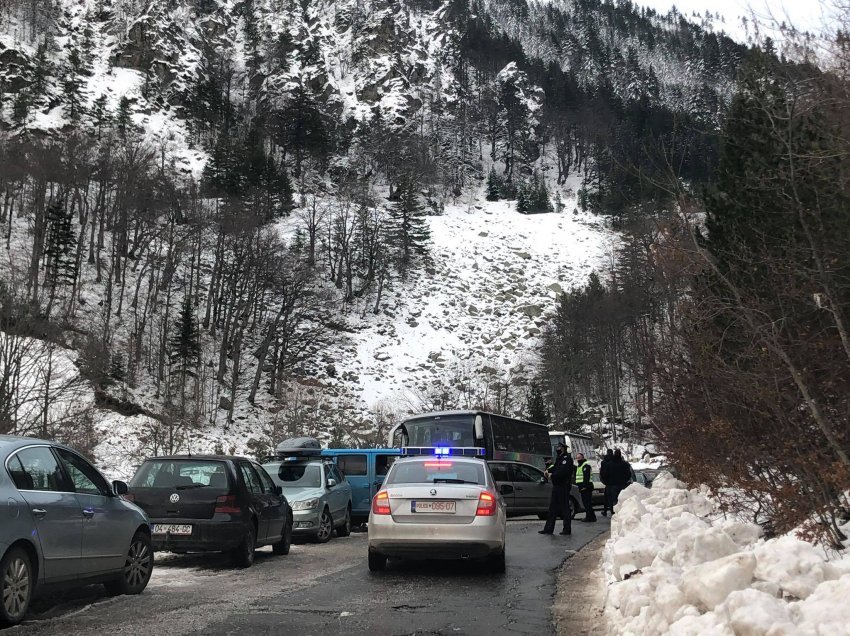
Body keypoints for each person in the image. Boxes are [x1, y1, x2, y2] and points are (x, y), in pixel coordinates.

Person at [539, 443, 573, 535]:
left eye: (559, 447)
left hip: (563, 485)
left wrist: (552, 475)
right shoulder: (559, 458)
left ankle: (567, 529)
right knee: (552, 508)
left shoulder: (566, 459)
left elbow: (562, 471)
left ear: (562, 449)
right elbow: (555, 467)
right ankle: (548, 528)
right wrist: (548, 471)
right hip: (557, 485)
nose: (557, 449)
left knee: (565, 508)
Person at [575, 452, 596, 522]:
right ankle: (592, 516)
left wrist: (584, 486)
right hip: (582, 486)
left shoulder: (585, 465)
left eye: (579, 458)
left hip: (586, 487)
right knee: (587, 503)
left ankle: (589, 517)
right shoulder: (579, 465)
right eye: (577, 458)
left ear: (583, 458)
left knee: (587, 503)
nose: (578, 459)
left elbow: (586, 477)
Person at [599, 448, 614, 517]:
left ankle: (605, 511)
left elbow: (602, 473)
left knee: (607, 497)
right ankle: (612, 510)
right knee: (614, 497)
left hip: (607, 482)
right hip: (615, 482)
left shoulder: (604, 462)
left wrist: (604, 481)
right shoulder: (615, 460)